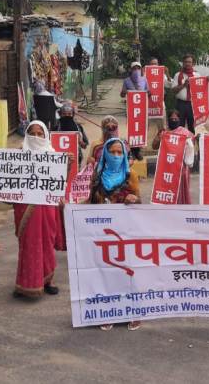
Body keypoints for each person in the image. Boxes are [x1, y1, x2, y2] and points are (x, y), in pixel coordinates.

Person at [8, 121, 68, 298]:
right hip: (25, 208)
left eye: (40, 134)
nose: (36, 137)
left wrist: (68, 164)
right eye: (32, 133)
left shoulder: (52, 154)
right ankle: (24, 284)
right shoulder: (19, 155)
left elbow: (59, 182)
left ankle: (48, 280)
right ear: (27, 135)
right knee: (28, 245)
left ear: (45, 135)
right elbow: (9, 183)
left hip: (47, 207)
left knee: (47, 242)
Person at [88, 138, 142, 331]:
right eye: (112, 152)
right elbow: (90, 203)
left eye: (120, 152)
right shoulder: (97, 175)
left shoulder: (130, 175)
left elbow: (139, 203)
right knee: (105, 273)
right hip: (102, 234)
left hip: (125, 232)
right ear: (105, 153)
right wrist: (68, 208)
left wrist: (133, 199)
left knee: (127, 272)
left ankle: (133, 312)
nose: (116, 156)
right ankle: (108, 311)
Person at [151, 109, 195, 204]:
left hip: (180, 168)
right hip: (167, 168)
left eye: (176, 119)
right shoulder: (164, 132)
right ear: (168, 120)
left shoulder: (185, 133)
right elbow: (154, 146)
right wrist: (159, 137)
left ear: (179, 120)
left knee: (180, 190)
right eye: (172, 119)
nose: (174, 121)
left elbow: (192, 144)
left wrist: (191, 141)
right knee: (168, 190)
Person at [171, 54, 209, 133]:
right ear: (183, 63)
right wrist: (184, 85)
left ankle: (192, 140)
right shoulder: (178, 75)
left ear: (193, 63)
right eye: (186, 62)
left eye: (189, 62)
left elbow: (201, 90)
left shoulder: (197, 75)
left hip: (193, 105)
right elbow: (173, 90)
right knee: (179, 127)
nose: (187, 63)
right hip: (180, 104)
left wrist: (206, 81)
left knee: (193, 127)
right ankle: (181, 141)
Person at [55, 102, 89, 168]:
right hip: (58, 159)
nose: (67, 116)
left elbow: (85, 146)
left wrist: (80, 142)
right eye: (64, 114)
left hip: (76, 158)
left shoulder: (78, 127)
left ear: (73, 114)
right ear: (60, 114)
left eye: (69, 114)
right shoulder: (56, 126)